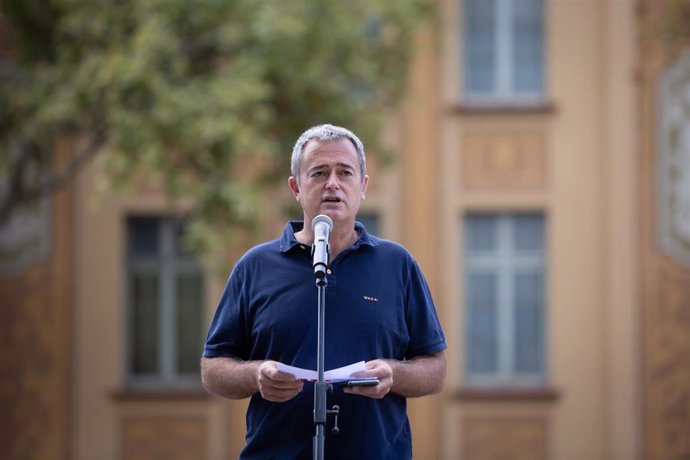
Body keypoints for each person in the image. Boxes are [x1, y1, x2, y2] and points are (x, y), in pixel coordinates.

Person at [201, 124, 446, 459]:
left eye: (345, 172)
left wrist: (394, 374)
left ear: (362, 186)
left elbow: (434, 369)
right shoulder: (255, 266)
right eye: (318, 172)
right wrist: (256, 375)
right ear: (296, 188)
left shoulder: (397, 264)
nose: (333, 183)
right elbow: (213, 369)